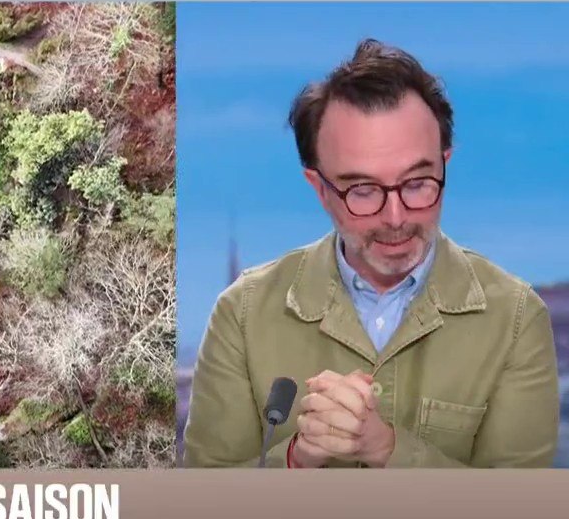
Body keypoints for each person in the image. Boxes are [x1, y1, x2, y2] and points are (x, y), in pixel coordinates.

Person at [182, 39, 561, 468]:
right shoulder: (242, 313)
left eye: (418, 184)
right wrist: (296, 458)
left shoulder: (515, 319)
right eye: (363, 191)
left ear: (445, 165)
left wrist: (389, 450)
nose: (396, 217)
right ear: (319, 189)